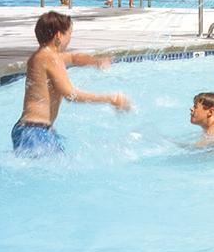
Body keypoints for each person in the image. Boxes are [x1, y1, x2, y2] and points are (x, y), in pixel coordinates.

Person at [12, 11, 130, 155]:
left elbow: (74, 58)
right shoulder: (50, 58)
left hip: (31, 129)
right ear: (59, 36)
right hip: (34, 131)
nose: (70, 39)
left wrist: (95, 62)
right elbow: (70, 94)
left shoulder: (42, 56)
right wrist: (110, 98)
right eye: (69, 34)